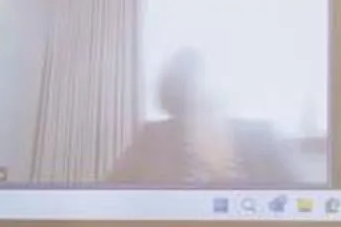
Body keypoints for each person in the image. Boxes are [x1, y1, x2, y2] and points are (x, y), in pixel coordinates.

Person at [107, 49, 301, 188]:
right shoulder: (152, 138)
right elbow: (112, 195)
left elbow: (298, 201)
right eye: (196, 78)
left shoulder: (262, 135)